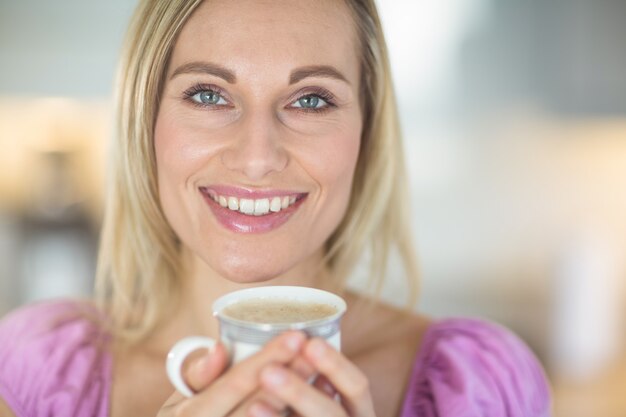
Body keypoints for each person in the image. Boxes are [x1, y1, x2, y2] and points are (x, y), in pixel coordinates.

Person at [0, 1, 552, 416]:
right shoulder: (31, 374)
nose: (257, 158)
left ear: (367, 132)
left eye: (311, 99)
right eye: (209, 95)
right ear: (145, 123)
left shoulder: (478, 386)